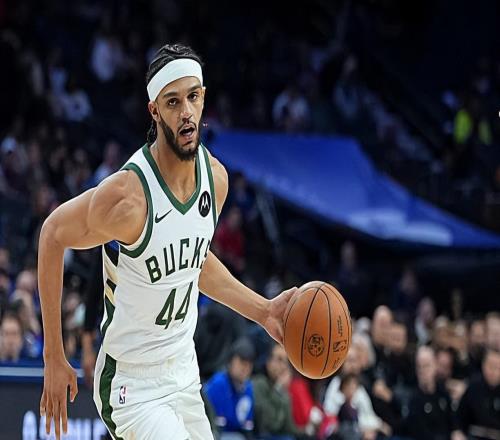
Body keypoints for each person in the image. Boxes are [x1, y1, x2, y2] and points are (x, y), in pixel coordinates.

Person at [38, 43, 297, 440]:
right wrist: (53, 355)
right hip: (131, 383)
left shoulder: (216, 180)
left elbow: (194, 263)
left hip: (183, 371)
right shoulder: (127, 198)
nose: (186, 111)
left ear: (204, 98)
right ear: (154, 111)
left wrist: (263, 311)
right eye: (173, 102)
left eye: (193, 97)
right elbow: (53, 233)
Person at [204, 338, 256, 438]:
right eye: (242, 362)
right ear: (231, 361)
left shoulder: (248, 388)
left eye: (249, 364)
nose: (245, 368)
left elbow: (247, 428)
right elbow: (215, 426)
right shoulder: (218, 384)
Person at [404, 346, 456, 440]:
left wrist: (456, 431)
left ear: (435, 365)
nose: (422, 371)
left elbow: (452, 421)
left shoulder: (443, 393)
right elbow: (419, 433)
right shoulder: (414, 399)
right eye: (419, 366)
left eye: (426, 366)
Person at [252, 343, 302, 440]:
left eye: (285, 362)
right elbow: (267, 424)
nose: (283, 366)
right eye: (279, 360)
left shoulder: (284, 392)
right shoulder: (258, 384)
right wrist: (278, 390)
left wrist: (307, 429)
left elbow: (289, 428)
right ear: (268, 362)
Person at [452, 349, 500, 440]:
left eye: (497, 367)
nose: (493, 371)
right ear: (483, 365)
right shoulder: (473, 386)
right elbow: (460, 417)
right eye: (490, 366)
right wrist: (458, 432)